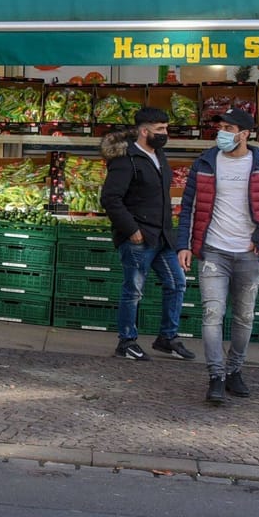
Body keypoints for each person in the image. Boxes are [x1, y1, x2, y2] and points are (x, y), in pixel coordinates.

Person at [175, 108, 259, 405]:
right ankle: (216, 375)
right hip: (213, 249)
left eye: (228, 127)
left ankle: (235, 369)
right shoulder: (205, 162)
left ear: (244, 133)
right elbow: (188, 206)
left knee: (244, 316)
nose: (222, 133)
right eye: (220, 127)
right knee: (212, 314)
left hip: (249, 252)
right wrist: (184, 245)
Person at [99, 106, 193, 362]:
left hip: (162, 236)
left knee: (177, 283)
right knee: (134, 291)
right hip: (139, 238)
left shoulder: (159, 155)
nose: (165, 133)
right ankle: (126, 341)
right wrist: (131, 230)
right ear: (144, 131)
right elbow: (110, 198)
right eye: (160, 129)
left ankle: (167, 337)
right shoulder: (126, 159)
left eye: (166, 128)